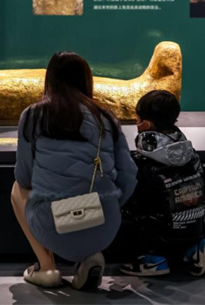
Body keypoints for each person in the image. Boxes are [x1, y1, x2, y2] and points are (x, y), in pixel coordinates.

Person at [11, 51, 137, 289]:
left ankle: (47, 267)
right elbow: (129, 176)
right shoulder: (106, 117)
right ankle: (89, 258)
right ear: (86, 79)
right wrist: (103, 205)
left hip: (54, 225)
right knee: (97, 197)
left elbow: (24, 176)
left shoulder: (34, 115)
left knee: (17, 189)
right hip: (105, 223)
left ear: (50, 79)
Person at [119, 90, 205, 277]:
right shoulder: (190, 153)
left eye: (137, 120)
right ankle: (196, 249)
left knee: (130, 207)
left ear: (146, 124)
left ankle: (154, 260)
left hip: (159, 234)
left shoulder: (144, 159)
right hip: (194, 227)